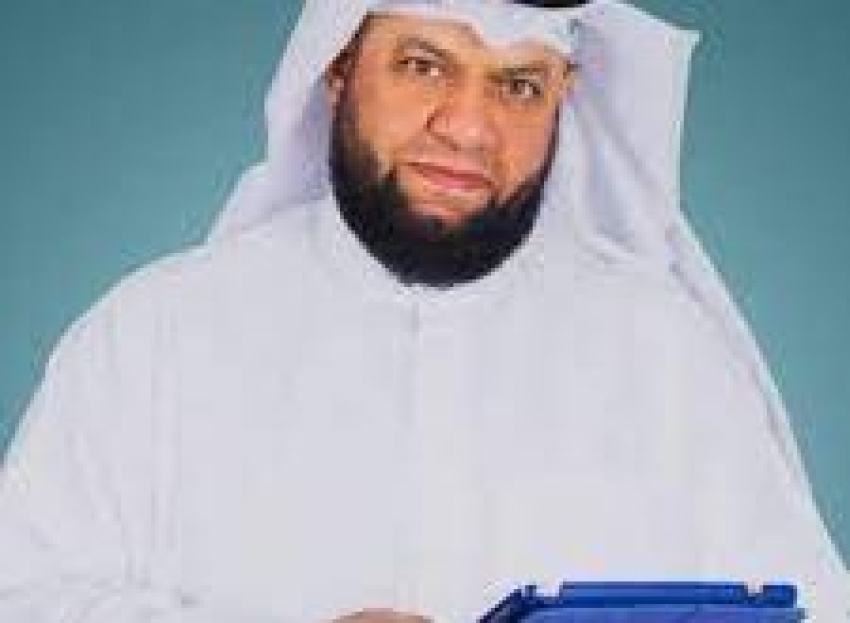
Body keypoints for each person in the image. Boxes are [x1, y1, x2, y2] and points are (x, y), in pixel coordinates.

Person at [0, 0, 847, 621]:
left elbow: (807, 605)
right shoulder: (154, 335)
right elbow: (23, 595)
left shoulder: (668, 355)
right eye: (422, 64)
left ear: (564, 98)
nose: (471, 127)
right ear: (337, 68)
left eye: (519, 84)